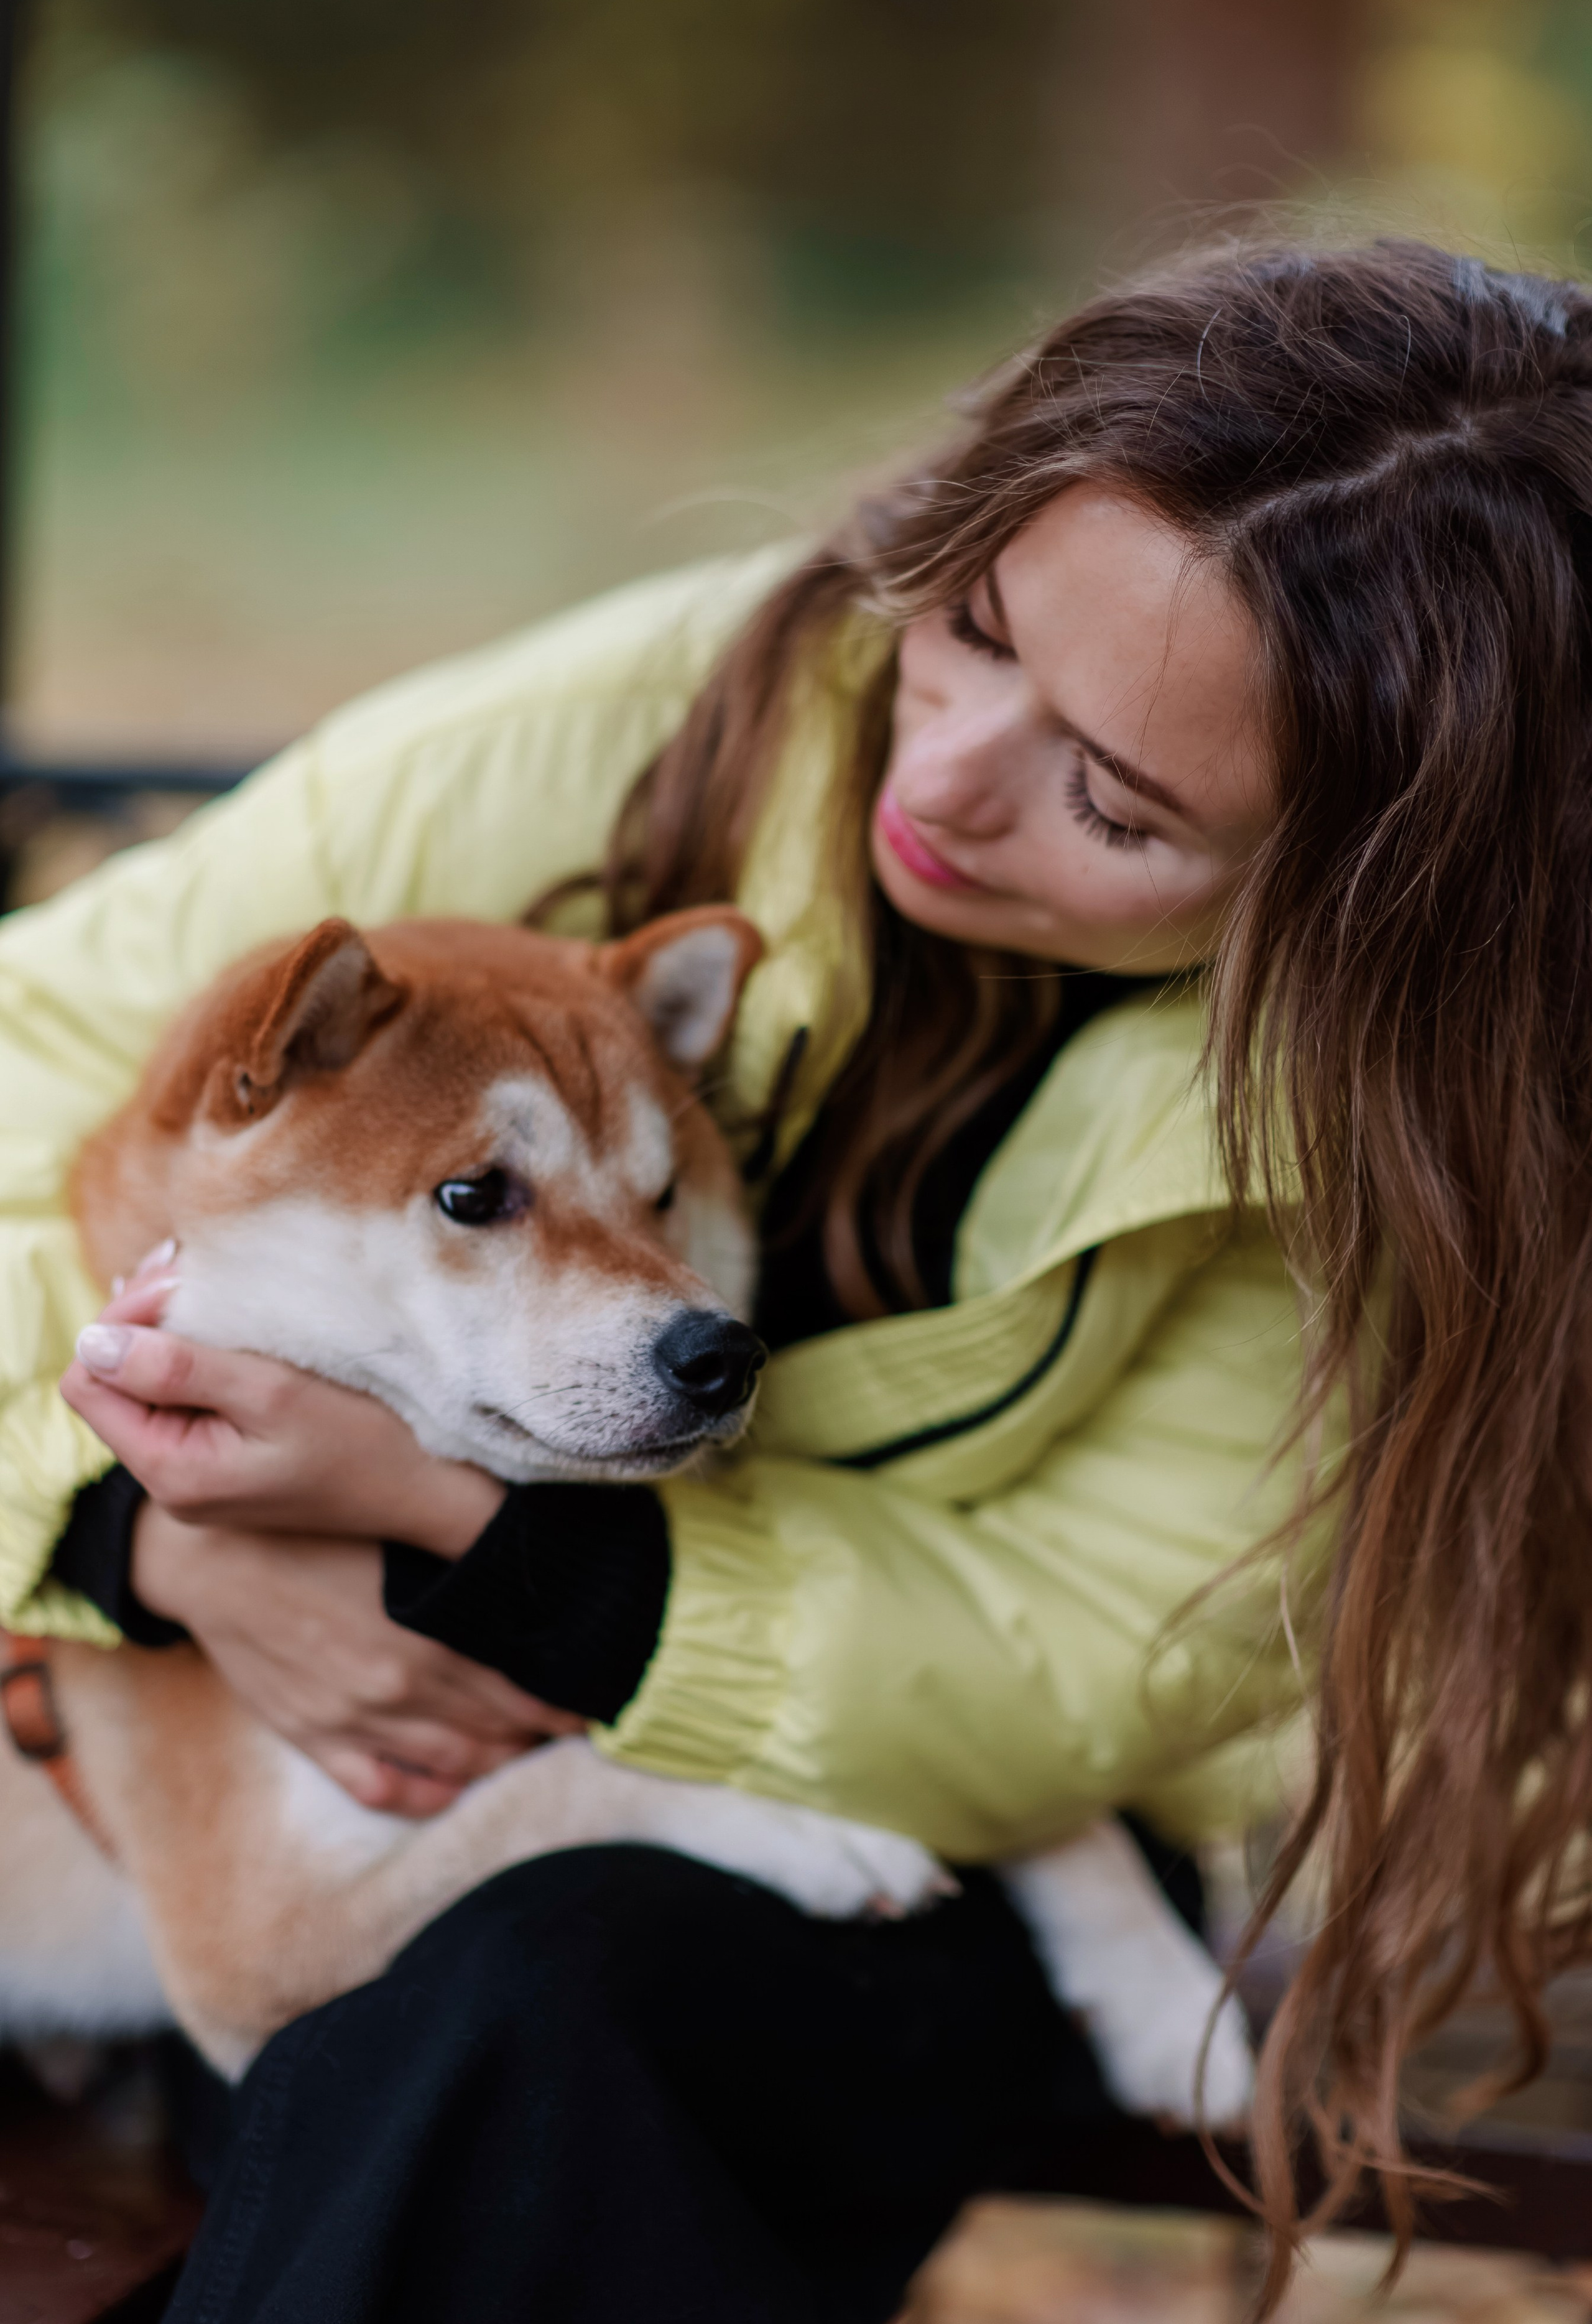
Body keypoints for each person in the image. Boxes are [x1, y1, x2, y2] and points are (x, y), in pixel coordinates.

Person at [3, 236, 1589, 2319]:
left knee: (530, 2020)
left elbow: (1082, 1660)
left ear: (1358, 894)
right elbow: (43, 1073)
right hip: (312, 1799)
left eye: (1109, 799)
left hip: (944, 1814)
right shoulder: (637, 716)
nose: (941, 777)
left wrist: (478, 1543)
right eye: (974, 629)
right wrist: (138, 1526)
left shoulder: (1373, 1131)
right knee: (447, 2070)